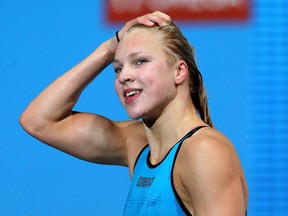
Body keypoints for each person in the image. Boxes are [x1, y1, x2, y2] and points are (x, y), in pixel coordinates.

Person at [20, 11, 248, 215]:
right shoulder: (138, 144)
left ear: (179, 71)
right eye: (118, 68)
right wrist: (109, 48)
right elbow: (38, 120)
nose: (123, 76)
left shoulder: (204, 151)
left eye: (140, 61)